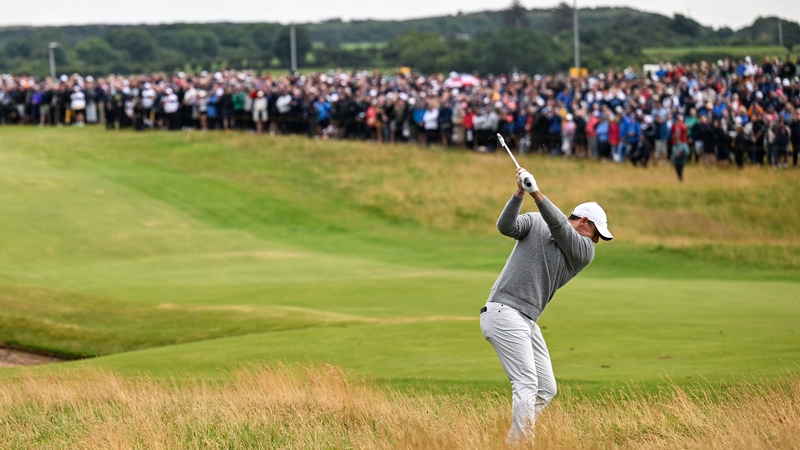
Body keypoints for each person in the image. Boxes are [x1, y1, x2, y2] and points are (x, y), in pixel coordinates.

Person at [480, 166, 613, 445]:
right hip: (503, 311)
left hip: (526, 319)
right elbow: (506, 227)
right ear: (585, 221)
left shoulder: (583, 252)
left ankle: (512, 436)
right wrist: (519, 193)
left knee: (546, 387)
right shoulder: (537, 222)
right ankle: (520, 443)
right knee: (527, 383)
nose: (597, 240)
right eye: (597, 232)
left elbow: (561, 229)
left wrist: (537, 193)